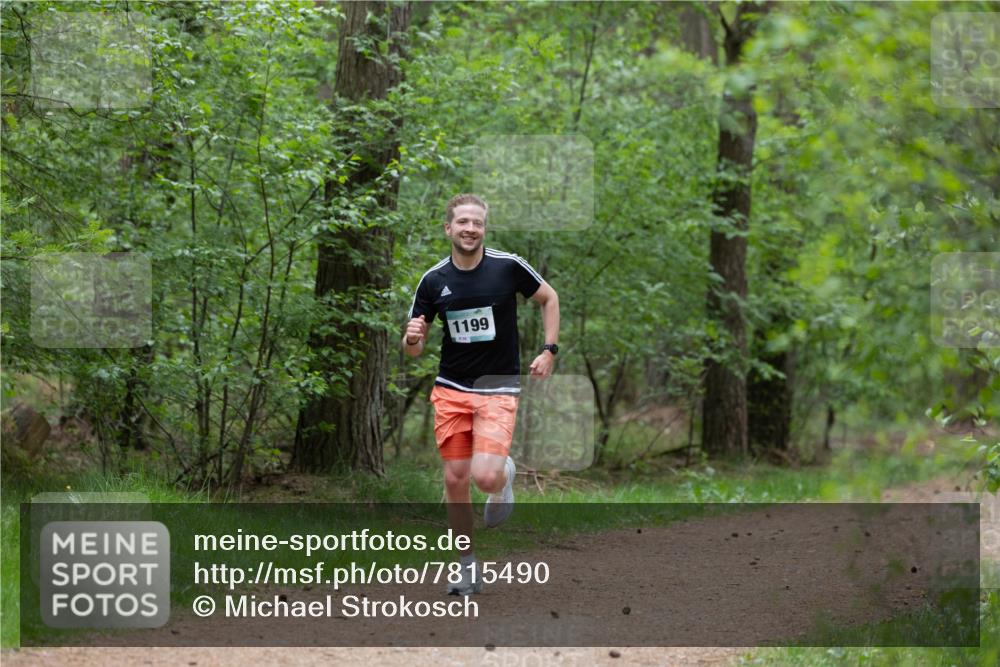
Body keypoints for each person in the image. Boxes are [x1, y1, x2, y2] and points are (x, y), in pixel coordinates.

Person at [403, 193, 560, 596]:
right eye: (463, 222)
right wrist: (412, 338)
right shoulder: (433, 280)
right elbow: (414, 346)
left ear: (484, 228)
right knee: (456, 479)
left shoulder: (507, 267)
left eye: (478, 222)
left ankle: (504, 475)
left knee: (485, 476)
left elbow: (549, 298)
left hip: (497, 384)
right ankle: (467, 567)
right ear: (449, 228)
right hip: (452, 388)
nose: (471, 228)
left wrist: (549, 350)